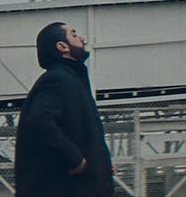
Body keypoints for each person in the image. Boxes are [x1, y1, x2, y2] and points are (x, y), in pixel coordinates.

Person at [14, 22, 114, 196]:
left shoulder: (70, 79)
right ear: (62, 46)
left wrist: (99, 163)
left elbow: (73, 130)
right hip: (67, 188)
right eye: (74, 35)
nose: (82, 38)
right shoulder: (58, 79)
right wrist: (76, 161)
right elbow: (39, 121)